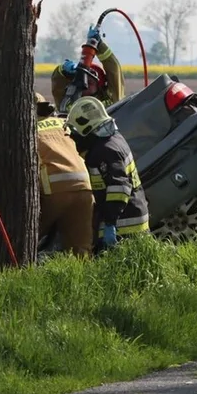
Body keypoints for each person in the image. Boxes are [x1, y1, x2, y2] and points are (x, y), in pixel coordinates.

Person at [64, 96, 148, 251]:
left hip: (124, 224)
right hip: (131, 216)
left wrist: (110, 224)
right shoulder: (114, 138)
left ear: (87, 128)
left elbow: (120, 187)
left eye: (76, 131)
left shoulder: (104, 150)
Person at [34, 93, 95, 257]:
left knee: (27, 239)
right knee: (81, 249)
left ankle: (17, 276)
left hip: (54, 191)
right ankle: (81, 280)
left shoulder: (26, 130)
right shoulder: (63, 124)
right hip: (84, 187)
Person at [51, 25, 125, 111]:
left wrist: (100, 46)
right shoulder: (67, 104)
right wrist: (62, 71)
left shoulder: (112, 101)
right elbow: (58, 87)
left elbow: (114, 71)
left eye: (89, 83)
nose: (83, 86)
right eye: (80, 81)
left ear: (100, 85)